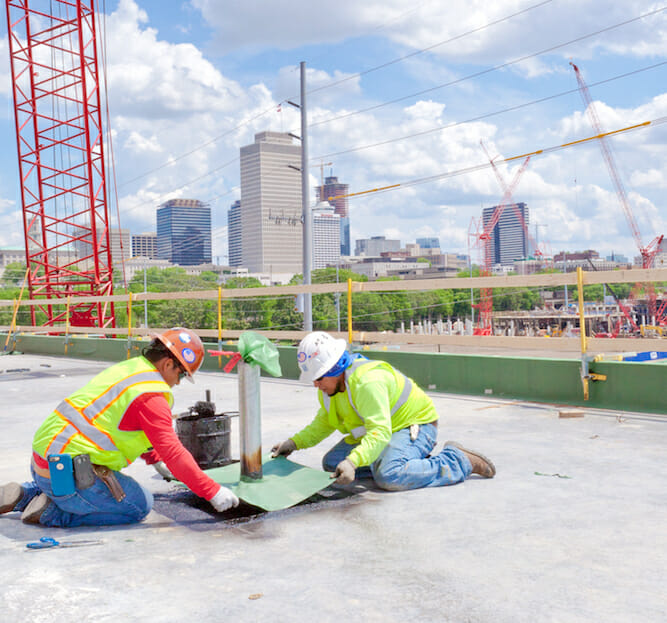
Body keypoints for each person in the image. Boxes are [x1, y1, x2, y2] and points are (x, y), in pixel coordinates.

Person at [0, 328, 239, 527]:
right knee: (138, 505)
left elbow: (121, 422)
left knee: (107, 487)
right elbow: (174, 452)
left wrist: (154, 457)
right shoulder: (152, 395)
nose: (178, 383)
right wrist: (212, 491)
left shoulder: (130, 369)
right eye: (181, 375)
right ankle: (52, 512)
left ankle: (27, 494)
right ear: (168, 364)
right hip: (68, 477)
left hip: (42, 462)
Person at [272, 331, 495, 490]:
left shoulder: (366, 383)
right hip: (384, 432)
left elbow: (380, 431)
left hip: (414, 426)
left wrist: (353, 462)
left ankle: (457, 460)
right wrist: (294, 443)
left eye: (318, 378)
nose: (315, 385)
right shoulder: (329, 387)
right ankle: (402, 458)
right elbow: (323, 423)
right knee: (332, 464)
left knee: (389, 476)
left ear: (336, 368)